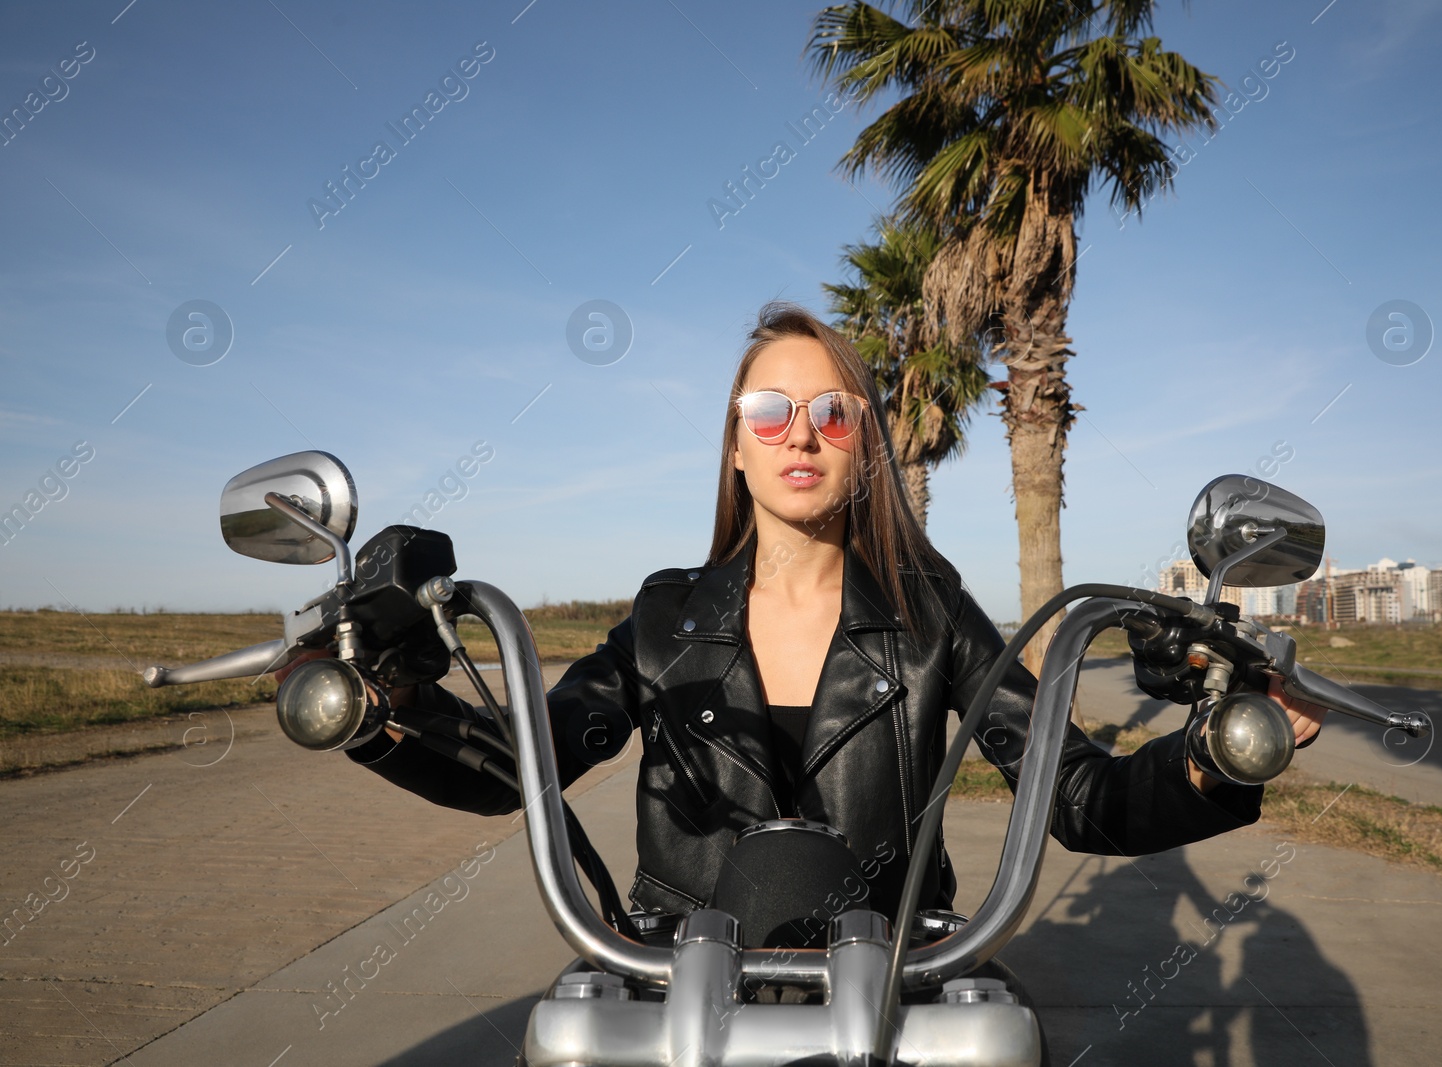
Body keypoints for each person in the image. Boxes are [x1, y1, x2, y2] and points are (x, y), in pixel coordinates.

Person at [307, 301, 1325, 923]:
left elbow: (1077, 796)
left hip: (890, 973)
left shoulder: (934, 617)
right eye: (769, 411)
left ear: (861, 449)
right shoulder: (663, 620)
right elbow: (519, 762)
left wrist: (1212, 753)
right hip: (676, 975)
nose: (801, 431)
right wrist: (370, 710)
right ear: (737, 448)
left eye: (833, 411)